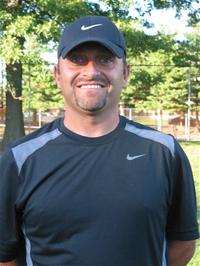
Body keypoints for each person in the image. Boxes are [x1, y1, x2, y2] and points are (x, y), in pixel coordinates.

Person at [0, 15, 199, 266]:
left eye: (105, 59)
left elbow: (182, 244)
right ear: (58, 74)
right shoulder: (19, 160)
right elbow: (5, 257)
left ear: (125, 73)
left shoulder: (163, 152)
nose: (91, 71)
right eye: (77, 59)